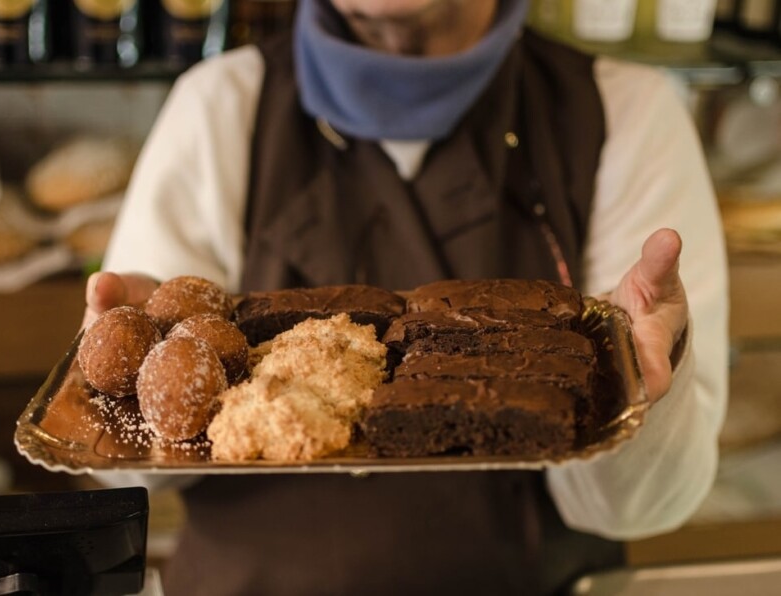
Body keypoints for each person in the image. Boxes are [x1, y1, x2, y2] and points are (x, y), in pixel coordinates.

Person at [86, 0, 728, 593]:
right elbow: (135, 474)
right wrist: (124, 388)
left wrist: (635, 392)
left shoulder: (621, 110)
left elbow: (644, 508)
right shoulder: (220, 104)